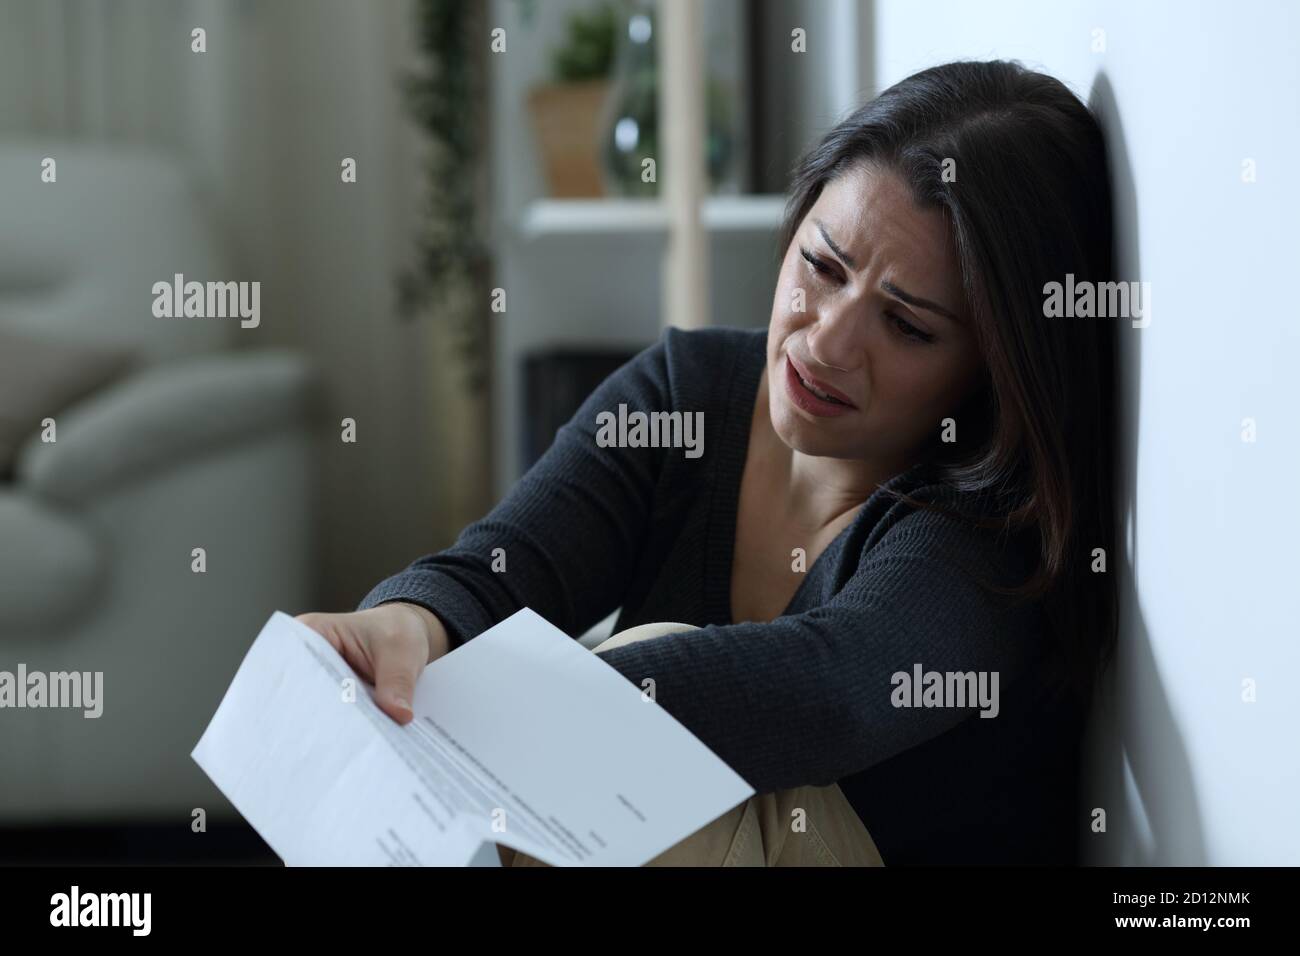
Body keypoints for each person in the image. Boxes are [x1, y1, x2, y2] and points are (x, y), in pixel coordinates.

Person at [297, 59, 1119, 866]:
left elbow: (830, 695)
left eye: (905, 325)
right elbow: (507, 569)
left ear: (992, 367)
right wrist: (408, 626)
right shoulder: (688, 393)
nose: (826, 342)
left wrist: (494, 716)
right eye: (821, 266)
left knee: (651, 740)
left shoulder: (990, 531)